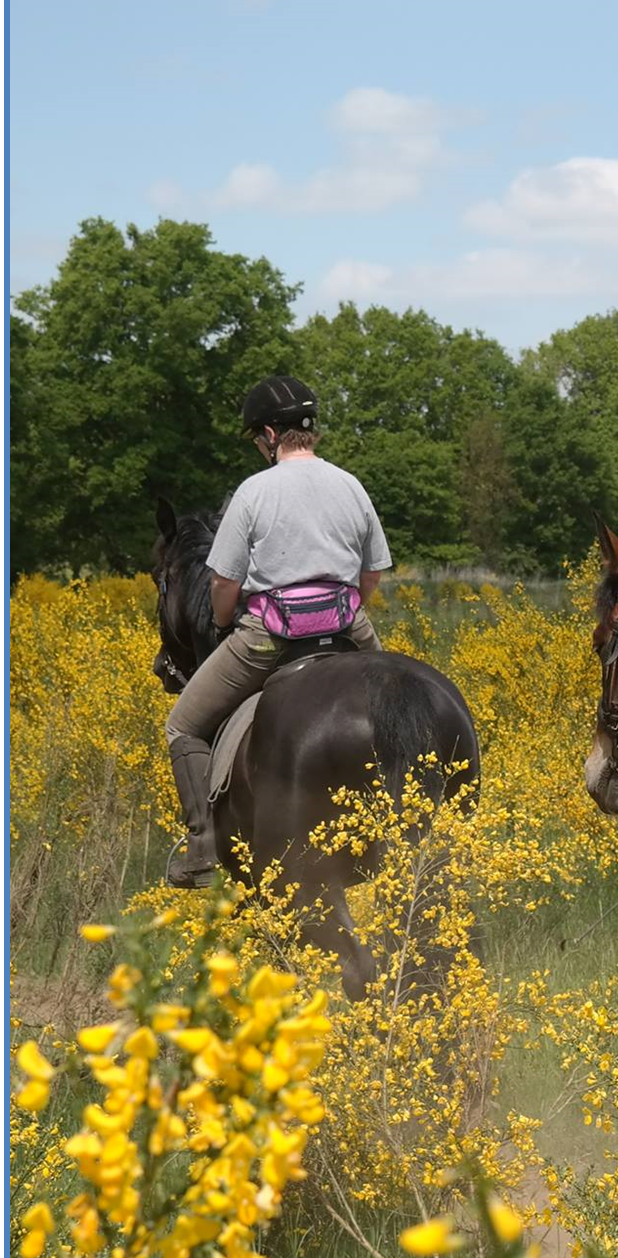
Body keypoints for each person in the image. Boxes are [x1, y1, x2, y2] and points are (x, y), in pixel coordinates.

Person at [162, 375, 392, 887]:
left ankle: (201, 848)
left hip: (270, 635)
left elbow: (223, 581)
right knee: (393, 705)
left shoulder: (254, 491)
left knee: (182, 725)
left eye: (256, 439)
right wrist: (345, 609)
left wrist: (224, 623)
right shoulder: (349, 484)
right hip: (347, 626)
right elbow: (372, 573)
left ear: (269, 434)